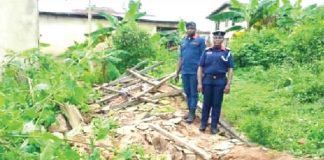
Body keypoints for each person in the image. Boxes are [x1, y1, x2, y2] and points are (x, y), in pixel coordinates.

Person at [197, 30, 234, 134]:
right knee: (206, 103)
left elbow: (230, 69)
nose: (217, 40)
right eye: (215, 38)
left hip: (220, 81)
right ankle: (203, 124)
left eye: (219, 38)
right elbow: (200, 67)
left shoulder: (227, 52)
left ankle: (214, 126)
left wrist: (228, 84)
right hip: (207, 81)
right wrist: (199, 83)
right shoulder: (207, 51)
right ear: (213, 39)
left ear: (223, 39)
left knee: (216, 104)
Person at [175, 21, 206, 124]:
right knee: (187, 92)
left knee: (194, 93)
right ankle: (190, 111)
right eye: (188, 28)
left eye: (192, 28)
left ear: (195, 29)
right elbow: (181, 58)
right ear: (186, 29)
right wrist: (177, 72)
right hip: (185, 72)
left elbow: (204, 57)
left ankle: (192, 113)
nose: (190, 30)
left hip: (195, 72)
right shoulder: (183, 41)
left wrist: (202, 73)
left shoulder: (200, 41)